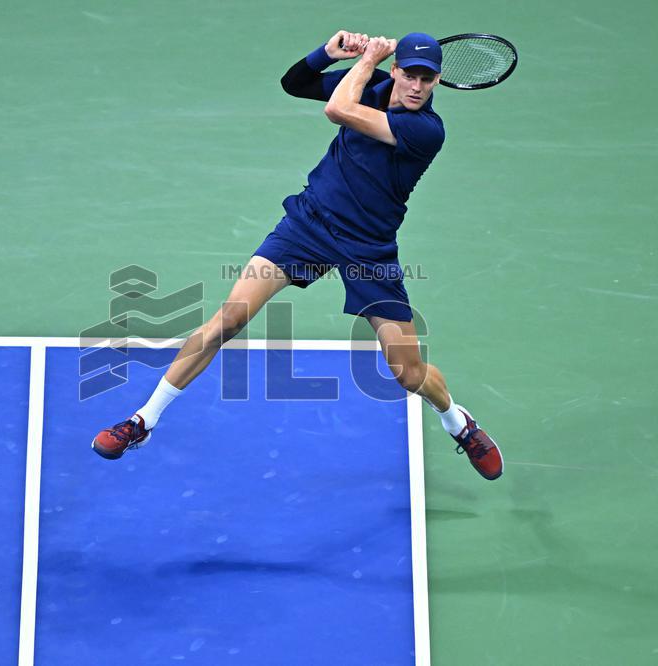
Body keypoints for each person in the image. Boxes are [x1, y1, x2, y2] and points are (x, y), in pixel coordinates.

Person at [91, 30, 503, 480]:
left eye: (427, 78)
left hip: (368, 249)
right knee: (227, 319)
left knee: (407, 372)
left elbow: (337, 110)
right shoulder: (376, 85)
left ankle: (456, 421)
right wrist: (327, 53)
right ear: (398, 71)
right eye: (409, 74)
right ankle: (143, 420)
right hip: (309, 225)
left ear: (438, 81)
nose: (416, 86)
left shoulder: (426, 130)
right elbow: (296, 84)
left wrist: (367, 61)